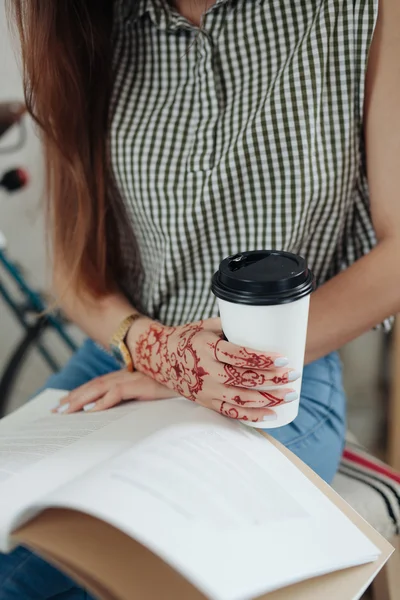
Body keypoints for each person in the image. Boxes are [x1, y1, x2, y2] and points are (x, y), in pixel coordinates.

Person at [1, 0, 400, 597]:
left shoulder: (363, 12)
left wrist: (216, 364)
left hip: (274, 372)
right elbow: (71, 264)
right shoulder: (82, 21)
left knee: (119, 563)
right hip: (125, 354)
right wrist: (164, 353)